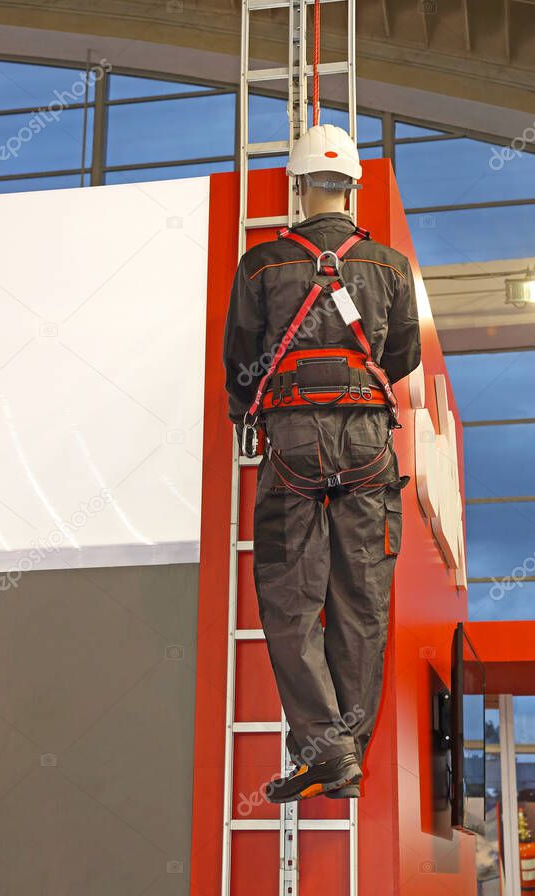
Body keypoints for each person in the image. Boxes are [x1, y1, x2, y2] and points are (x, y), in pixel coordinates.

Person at [222, 124, 421, 803]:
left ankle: (326, 749)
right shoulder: (391, 266)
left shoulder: (263, 263)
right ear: (354, 189)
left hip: (294, 443)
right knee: (362, 599)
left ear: (298, 184)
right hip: (368, 442)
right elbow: (402, 360)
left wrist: (245, 415)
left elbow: (240, 361)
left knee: (289, 597)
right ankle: (347, 753)